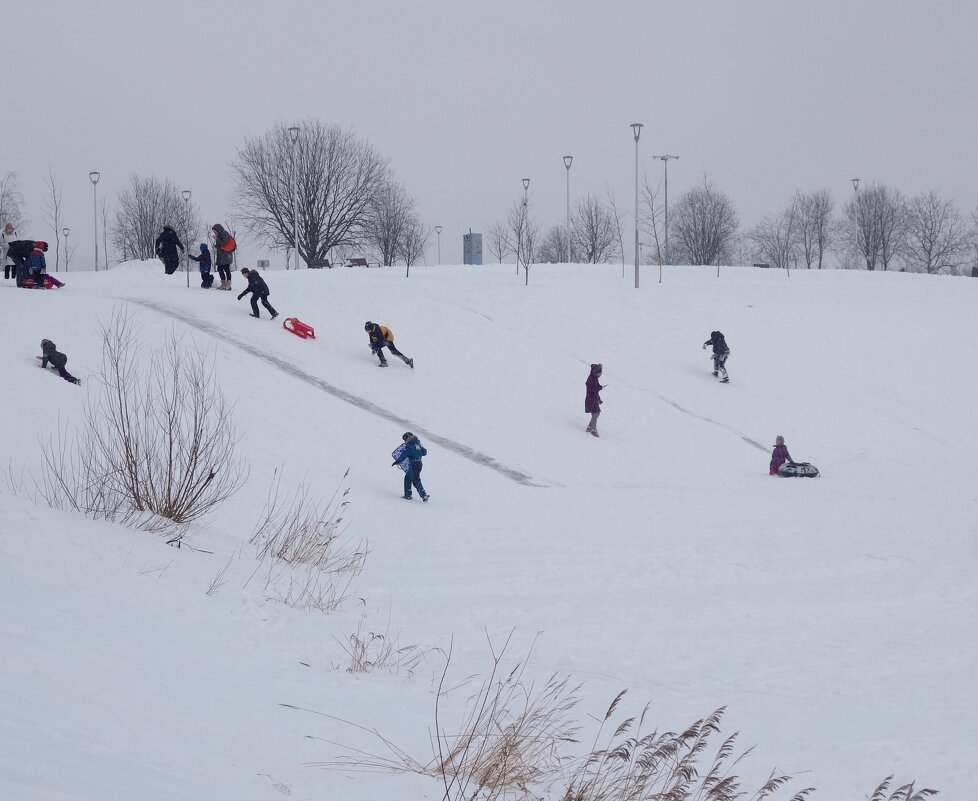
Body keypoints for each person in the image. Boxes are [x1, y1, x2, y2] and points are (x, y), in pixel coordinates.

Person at [392, 431, 429, 501]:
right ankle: (408, 495)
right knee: (408, 478)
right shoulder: (418, 445)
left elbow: (403, 455)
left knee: (416, 480)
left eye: (404, 439)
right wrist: (420, 447)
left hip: (413, 464)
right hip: (419, 463)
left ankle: (424, 495)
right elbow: (424, 452)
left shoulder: (409, 446)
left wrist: (397, 461)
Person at [211, 224, 235, 290]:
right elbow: (219, 246)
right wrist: (215, 246)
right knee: (220, 270)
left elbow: (223, 243)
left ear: (218, 229)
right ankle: (223, 284)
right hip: (221, 257)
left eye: (215, 231)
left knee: (227, 270)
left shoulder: (225, 233)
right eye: (214, 232)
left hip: (226, 256)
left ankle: (228, 285)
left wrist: (217, 239)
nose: (215, 233)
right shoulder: (219, 235)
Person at [585, 363, 604, 437]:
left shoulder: (595, 379)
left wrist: (599, 399)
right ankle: (593, 430)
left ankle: (590, 427)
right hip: (590, 399)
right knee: (595, 413)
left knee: (597, 413)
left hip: (594, 398)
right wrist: (600, 388)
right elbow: (592, 389)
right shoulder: (590, 379)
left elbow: (597, 388)